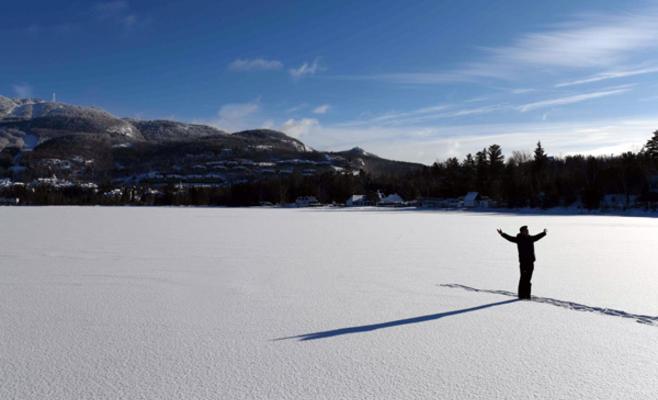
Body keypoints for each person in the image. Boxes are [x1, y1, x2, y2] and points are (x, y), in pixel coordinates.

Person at [496, 226, 547, 299]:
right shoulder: (519, 239)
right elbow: (510, 238)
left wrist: (543, 233)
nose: (527, 231)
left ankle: (527, 296)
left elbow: (537, 237)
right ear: (521, 232)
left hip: (531, 262)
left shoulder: (530, 238)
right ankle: (521, 295)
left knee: (528, 280)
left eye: (527, 230)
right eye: (525, 230)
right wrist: (502, 233)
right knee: (523, 279)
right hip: (523, 263)